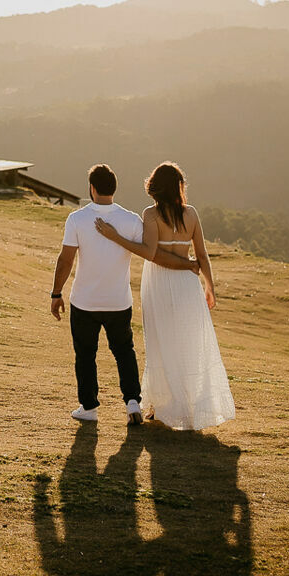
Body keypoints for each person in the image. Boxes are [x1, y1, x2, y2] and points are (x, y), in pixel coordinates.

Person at [51, 164, 202, 426]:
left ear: (92, 188)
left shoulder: (77, 219)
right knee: (124, 352)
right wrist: (187, 263)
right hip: (119, 302)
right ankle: (133, 402)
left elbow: (65, 260)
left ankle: (89, 408)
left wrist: (56, 293)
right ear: (114, 189)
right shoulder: (132, 219)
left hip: (84, 301)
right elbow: (151, 251)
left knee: (85, 354)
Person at [95, 161, 236, 431]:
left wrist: (115, 237)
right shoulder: (191, 214)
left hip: (158, 281)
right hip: (186, 284)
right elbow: (202, 255)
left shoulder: (151, 215)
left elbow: (150, 253)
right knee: (185, 342)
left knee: (161, 341)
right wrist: (209, 286)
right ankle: (187, 406)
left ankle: (163, 405)